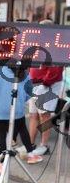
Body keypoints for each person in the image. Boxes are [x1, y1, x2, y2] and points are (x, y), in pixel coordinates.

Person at [0, 64, 43, 169]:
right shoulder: (24, 72)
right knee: (23, 130)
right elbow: (29, 91)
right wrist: (20, 101)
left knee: (0, 136)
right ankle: (31, 154)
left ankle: (1, 163)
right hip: (17, 110)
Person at [28, 20, 63, 155]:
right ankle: (30, 144)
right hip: (35, 84)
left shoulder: (55, 46)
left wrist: (45, 83)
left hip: (46, 86)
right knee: (33, 115)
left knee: (45, 116)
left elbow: (55, 69)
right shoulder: (38, 44)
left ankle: (44, 145)